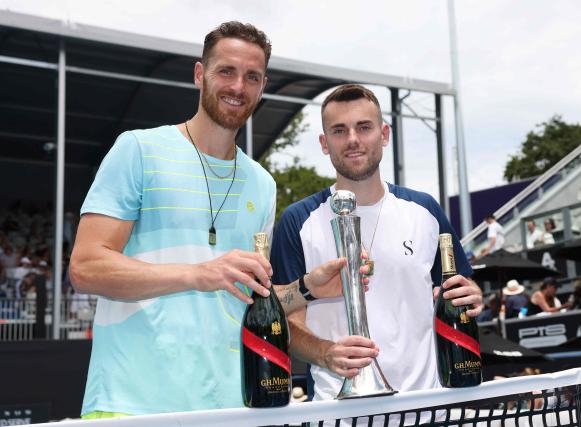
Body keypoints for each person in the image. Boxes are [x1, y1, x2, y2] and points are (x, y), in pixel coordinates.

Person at [69, 22, 353, 417]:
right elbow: (86, 267)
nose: (238, 86)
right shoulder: (138, 150)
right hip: (133, 404)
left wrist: (306, 289)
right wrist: (196, 273)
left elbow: (246, 300)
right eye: (226, 71)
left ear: (262, 85)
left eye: (252, 76)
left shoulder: (262, 183)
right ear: (200, 74)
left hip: (231, 407)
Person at [270, 84, 483, 401]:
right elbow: (283, 319)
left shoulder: (425, 210)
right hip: (337, 413)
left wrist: (473, 295)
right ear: (324, 143)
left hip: (426, 406)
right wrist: (326, 353)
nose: (353, 139)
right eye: (339, 130)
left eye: (364, 127)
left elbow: (458, 292)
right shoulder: (298, 220)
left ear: (384, 134)